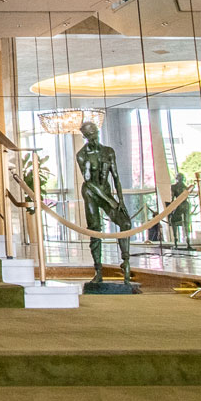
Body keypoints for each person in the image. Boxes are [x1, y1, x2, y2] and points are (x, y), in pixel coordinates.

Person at [76, 120, 136, 285]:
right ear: (85, 136)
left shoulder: (108, 152)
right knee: (95, 230)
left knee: (125, 223)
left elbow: (116, 177)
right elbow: (89, 183)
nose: (93, 136)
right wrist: (110, 200)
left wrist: (121, 201)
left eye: (94, 132)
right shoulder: (82, 155)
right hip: (91, 193)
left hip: (107, 193)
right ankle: (98, 270)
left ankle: (125, 261)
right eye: (89, 134)